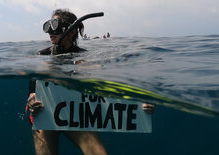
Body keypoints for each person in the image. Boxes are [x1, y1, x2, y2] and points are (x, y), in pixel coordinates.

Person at [27, 8, 155, 155]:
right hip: (46, 117)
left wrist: (139, 104)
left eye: (56, 25)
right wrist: (31, 102)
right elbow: (32, 93)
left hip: (74, 115)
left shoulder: (85, 58)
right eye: (48, 26)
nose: (50, 31)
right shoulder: (41, 56)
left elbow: (108, 87)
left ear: (72, 30)